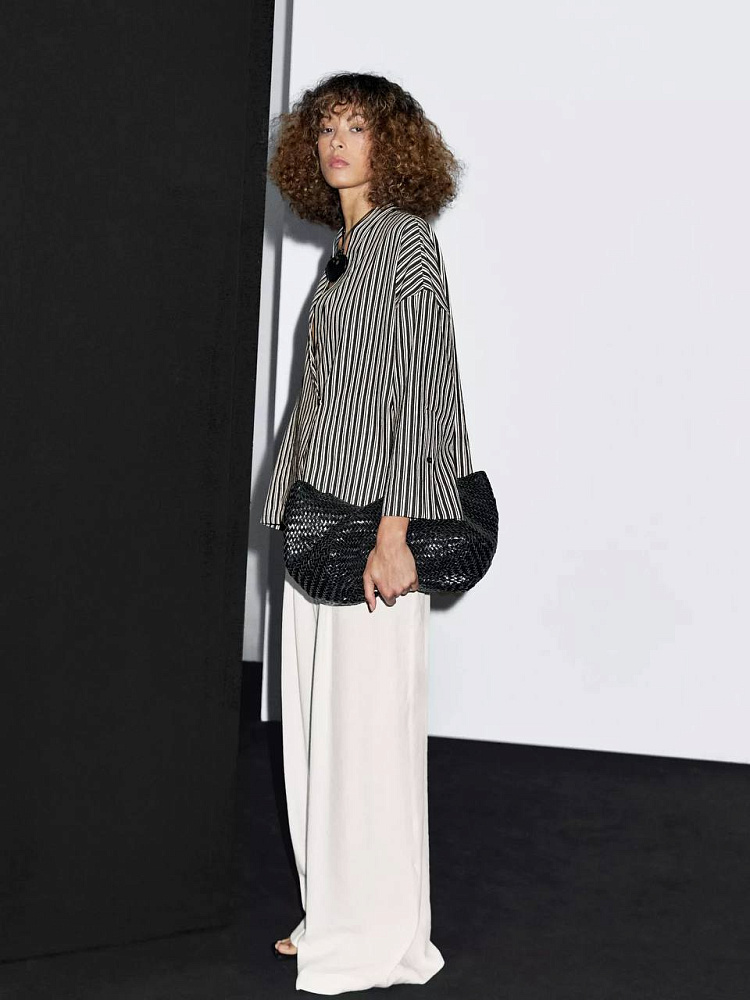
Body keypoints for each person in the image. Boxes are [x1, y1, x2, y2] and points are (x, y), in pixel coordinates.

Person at [260, 72, 474, 995]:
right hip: (316, 516)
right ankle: (335, 913)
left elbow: (422, 394)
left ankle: (375, 933)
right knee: (319, 731)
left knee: (366, 736)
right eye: (325, 128)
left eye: (357, 127)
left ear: (393, 144)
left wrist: (397, 534)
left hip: (370, 527)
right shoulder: (345, 249)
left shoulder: (405, 241)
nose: (336, 143)